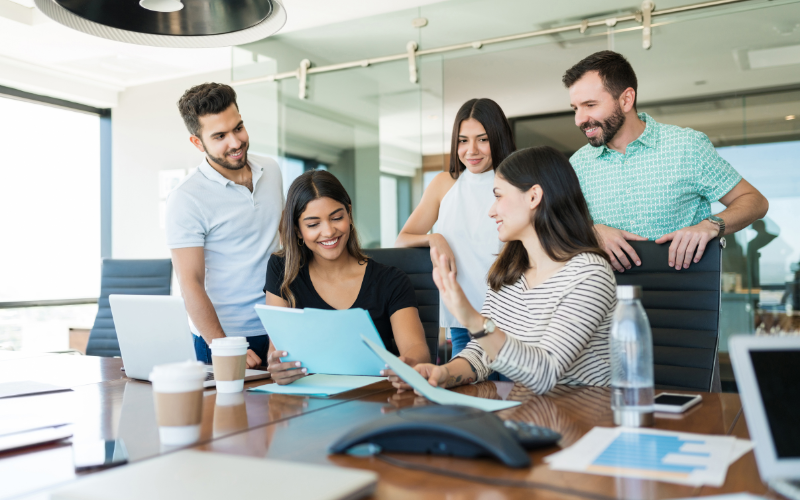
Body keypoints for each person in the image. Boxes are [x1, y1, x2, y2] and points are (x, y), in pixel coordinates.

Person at [387, 147, 616, 394]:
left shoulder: (590, 274)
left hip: (586, 415)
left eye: (498, 196)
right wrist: (443, 373)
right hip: (529, 412)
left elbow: (544, 373)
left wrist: (470, 317)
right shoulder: (509, 271)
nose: (491, 211)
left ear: (533, 197)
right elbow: (482, 353)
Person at [563, 51, 769, 273]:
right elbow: (558, 229)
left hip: (685, 292)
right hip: (605, 295)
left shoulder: (686, 145)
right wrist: (591, 232)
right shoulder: (577, 164)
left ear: (626, 100)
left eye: (590, 105)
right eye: (576, 108)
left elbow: (755, 201)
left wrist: (710, 226)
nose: (579, 120)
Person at [265, 170, 430, 385]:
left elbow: (417, 350)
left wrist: (409, 364)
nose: (328, 231)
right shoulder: (283, 269)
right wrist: (278, 368)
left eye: (336, 218)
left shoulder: (391, 280)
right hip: (307, 402)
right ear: (297, 230)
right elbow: (276, 351)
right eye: (313, 224)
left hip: (376, 400)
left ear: (349, 214)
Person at [166, 83, 283, 368]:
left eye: (238, 128)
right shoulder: (187, 198)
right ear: (198, 142)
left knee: (286, 411)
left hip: (277, 329)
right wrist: (222, 346)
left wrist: (283, 328)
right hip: (223, 336)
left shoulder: (272, 170)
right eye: (219, 136)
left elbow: (285, 247)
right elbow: (189, 283)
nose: (235, 142)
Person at [395, 98, 516, 358]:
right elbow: (402, 240)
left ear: (498, 137)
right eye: (463, 140)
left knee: (514, 394)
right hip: (462, 319)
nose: (471, 150)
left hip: (511, 317)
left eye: (482, 139)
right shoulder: (444, 183)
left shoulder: (516, 183)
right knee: (465, 393)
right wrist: (434, 238)